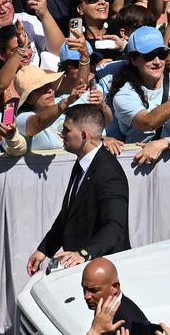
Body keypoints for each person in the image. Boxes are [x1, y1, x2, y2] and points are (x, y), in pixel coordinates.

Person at [27, 104, 129, 275]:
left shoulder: (110, 173)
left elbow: (115, 226)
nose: (62, 134)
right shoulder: (82, 162)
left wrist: (84, 254)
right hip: (82, 266)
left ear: (83, 136)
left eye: (66, 130)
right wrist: (44, 249)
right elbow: (69, 213)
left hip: (102, 270)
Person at [109, 25, 170, 164]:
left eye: (162, 54)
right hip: (138, 168)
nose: (157, 61)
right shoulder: (123, 95)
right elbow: (149, 122)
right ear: (134, 59)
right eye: (149, 56)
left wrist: (164, 143)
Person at [78, 257, 151, 335]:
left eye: (94, 290)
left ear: (115, 287)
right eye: (84, 288)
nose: (86, 296)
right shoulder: (102, 306)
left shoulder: (137, 325)